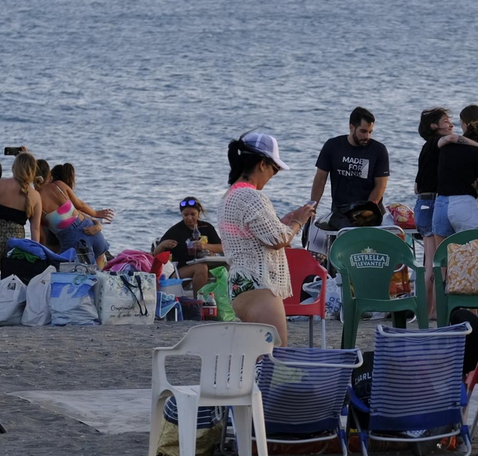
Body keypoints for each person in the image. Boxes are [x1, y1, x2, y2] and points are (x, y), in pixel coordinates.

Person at [219, 131, 314, 347]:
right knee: (274, 353)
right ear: (262, 164)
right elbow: (278, 239)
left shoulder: (231, 195)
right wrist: (298, 221)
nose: (273, 175)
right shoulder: (252, 196)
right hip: (259, 284)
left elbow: (252, 235)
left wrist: (285, 221)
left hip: (238, 283)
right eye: (275, 169)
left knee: (251, 355)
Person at [308, 107, 389, 232]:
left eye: (370, 132)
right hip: (340, 211)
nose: (367, 136)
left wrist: (366, 211)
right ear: (351, 127)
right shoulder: (333, 146)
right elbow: (320, 179)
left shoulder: (379, 150)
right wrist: (312, 208)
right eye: (363, 131)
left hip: (370, 212)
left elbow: (380, 186)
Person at [0, 152, 43, 272]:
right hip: (16, 239)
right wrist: (34, 251)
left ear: (14, 167)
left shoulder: (0, 183)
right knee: (11, 280)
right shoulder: (36, 196)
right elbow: (35, 228)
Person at [43, 162, 113, 269]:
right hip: (94, 236)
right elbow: (81, 207)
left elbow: (43, 241)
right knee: (99, 273)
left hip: (72, 244)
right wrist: (97, 221)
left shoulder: (40, 204)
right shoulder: (63, 194)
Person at [432, 119, 478, 241]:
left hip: (440, 204)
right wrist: (473, 186)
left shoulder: (445, 148)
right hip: (463, 204)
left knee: (441, 256)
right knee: (471, 253)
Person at [154, 196, 223, 290]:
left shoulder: (207, 227)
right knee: (201, 268)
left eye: (193, 214)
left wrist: (205, 246)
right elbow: (156, 255)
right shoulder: (176, 231)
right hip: (182, 270)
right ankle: (200, 301)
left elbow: (222, 248)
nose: (189, 218)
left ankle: (228, 299)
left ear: (199, 213)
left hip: (207, 264)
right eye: (186, 215)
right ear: (181, 215)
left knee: (227, 266)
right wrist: (162, 245)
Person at [414, 107, 451, 280]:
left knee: (429, 260)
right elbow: (452, 138)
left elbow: (416, 186)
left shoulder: (425, 149)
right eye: (446, 121)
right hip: (431, 203)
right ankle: (433, 307)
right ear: (434, 126)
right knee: (434, 264)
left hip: (421, 203)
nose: (451, 124)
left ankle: (427, 306)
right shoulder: (437, 142)